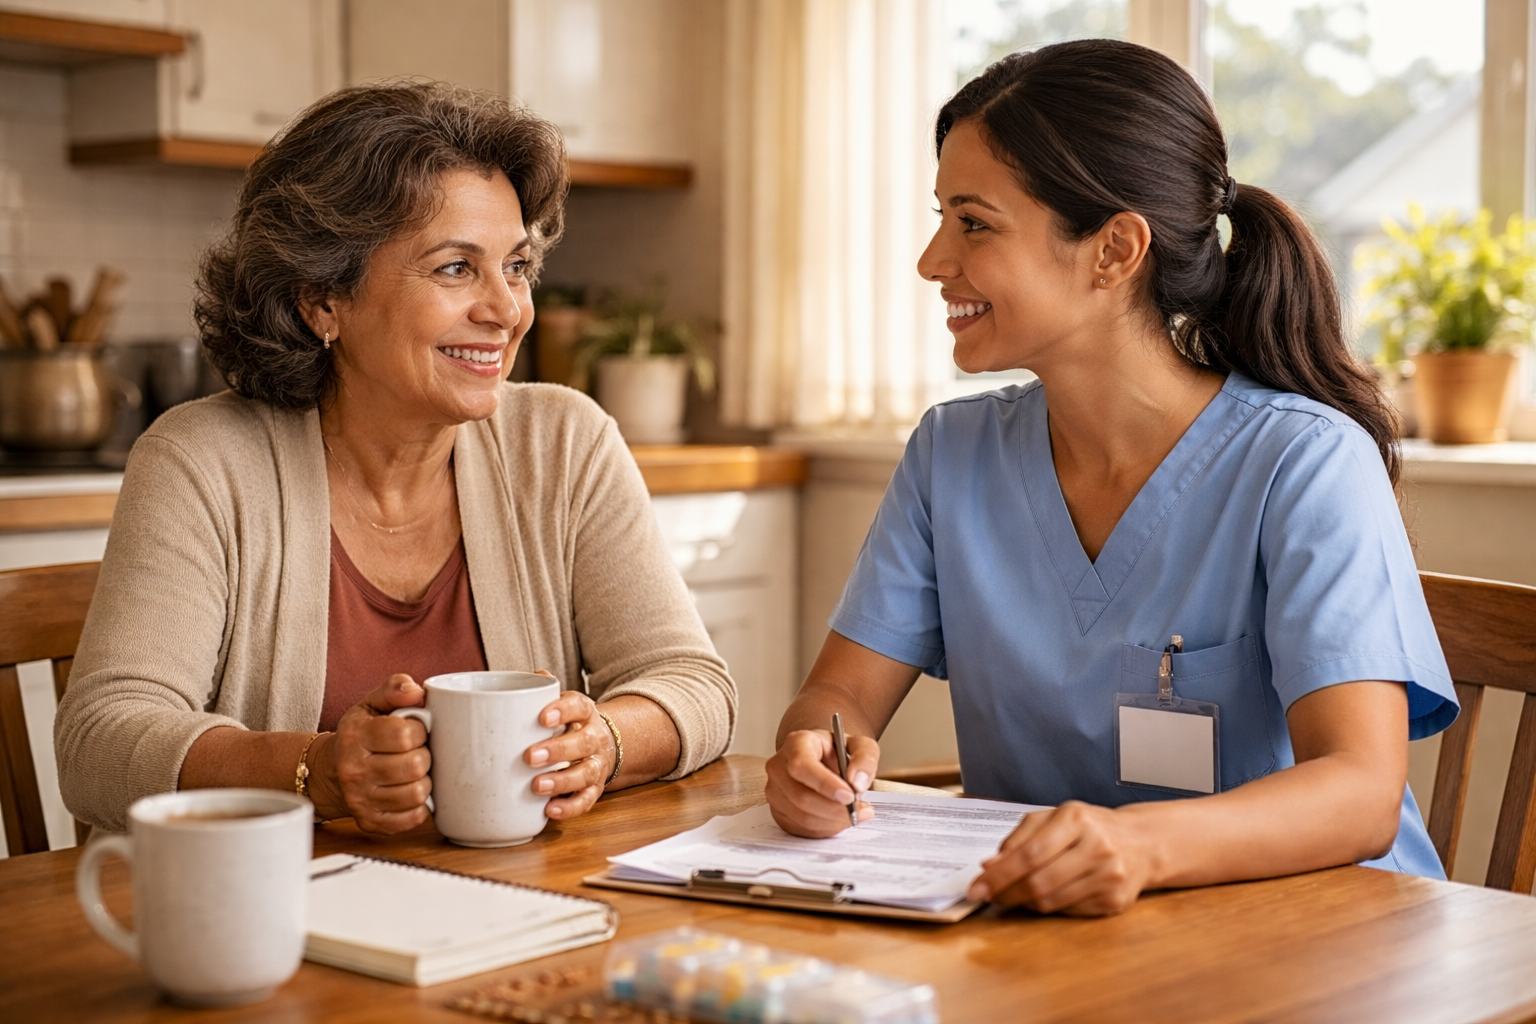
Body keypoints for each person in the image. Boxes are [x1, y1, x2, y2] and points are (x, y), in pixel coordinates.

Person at [765, 40, 1457, 917]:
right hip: (1074, 944)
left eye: (973, 222)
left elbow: (1358, 791)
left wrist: (1133, 846)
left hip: (1328, 945)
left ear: (1114, 250)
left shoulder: (1305, 462)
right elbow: (838, 697)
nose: (933, 260)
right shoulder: (951, 454)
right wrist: (813, 757)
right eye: (941, 216)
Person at [56, 83, 735, 835]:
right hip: (272, 920)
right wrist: (316, 769)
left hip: (516, 904)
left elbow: (692, 684)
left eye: (515, 266)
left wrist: (603, 743)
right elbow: (99, 743)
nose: (507, 310)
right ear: (322, 299)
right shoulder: (201, 462)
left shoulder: (565, 442)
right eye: (454, 268)